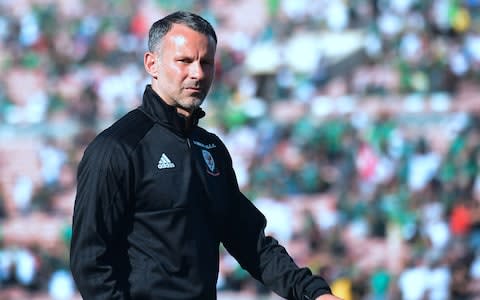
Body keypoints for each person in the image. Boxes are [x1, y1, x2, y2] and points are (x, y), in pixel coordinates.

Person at [70, 11, 342, 300]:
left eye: (206, 62)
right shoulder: (117, 149)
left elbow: (250, 241)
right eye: (184, 61)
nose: (198, 73)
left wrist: (313, 293)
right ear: (152, 64)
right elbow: (90, 262)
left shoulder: (210, 149)